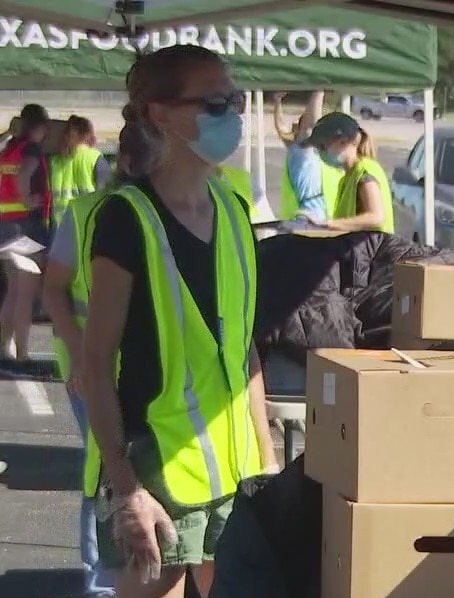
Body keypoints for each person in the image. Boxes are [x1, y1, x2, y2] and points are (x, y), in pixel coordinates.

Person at [81, 44, 278, 598]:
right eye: (214, 103)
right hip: (158, 474)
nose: (232, 114)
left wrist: (266, 461)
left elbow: (244, 351)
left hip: (236, 474)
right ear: (159, 115)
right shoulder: (127, 218)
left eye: (234, 100)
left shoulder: (235, 210)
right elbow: (95, 366)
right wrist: (126, 489)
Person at [42, 122, 153, 598]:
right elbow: (54, 288)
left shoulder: (175, 212)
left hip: (147, 369)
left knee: (141, 469)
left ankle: (139, 569)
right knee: (102, 467)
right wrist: (83, 360)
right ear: (126, 163)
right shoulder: (86, 213)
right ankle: (99, 580)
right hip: (95, 368)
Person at [0, 103, 52, 361]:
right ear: (40, 127)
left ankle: (3, 347)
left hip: (6, 226)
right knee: (26, 293)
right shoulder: (30, 149)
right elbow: (25, 174)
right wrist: (27, 197)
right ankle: (22, 351)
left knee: (12, 290)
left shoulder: (9, 148)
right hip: (27, 228)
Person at [299, 112, 395, 233]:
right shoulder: (348, 177)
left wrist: (329, 224)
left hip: (372, 249)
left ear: (344, 142)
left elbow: (376, 217)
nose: (320, 153)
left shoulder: (365, 172)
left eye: (322, 147)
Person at [274, 91, 343, 222]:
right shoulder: (302, 149)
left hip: (318, 217)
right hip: (310, 218)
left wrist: (277, 102)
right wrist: (319, 91)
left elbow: (281, 128)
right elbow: (310, 125)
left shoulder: (303, 152)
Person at [49, 115, 110, 227]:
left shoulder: (55, 162)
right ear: (88, 135)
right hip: (86, 224)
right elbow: (106, 198)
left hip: (60, 226)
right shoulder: (95, 158)